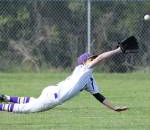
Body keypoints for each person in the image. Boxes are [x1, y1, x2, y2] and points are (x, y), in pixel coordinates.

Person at [0, 47, 128, 113]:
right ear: (85, 61)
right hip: (55, 97)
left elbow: (99, 96)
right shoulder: (85, 68)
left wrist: (114, 108)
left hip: (52, 90)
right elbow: (101, 58)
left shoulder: (88, 78)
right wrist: (118, 50)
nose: (93, 59)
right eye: (91, 58)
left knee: (33, 101)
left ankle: (6, 97)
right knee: (26, 109)